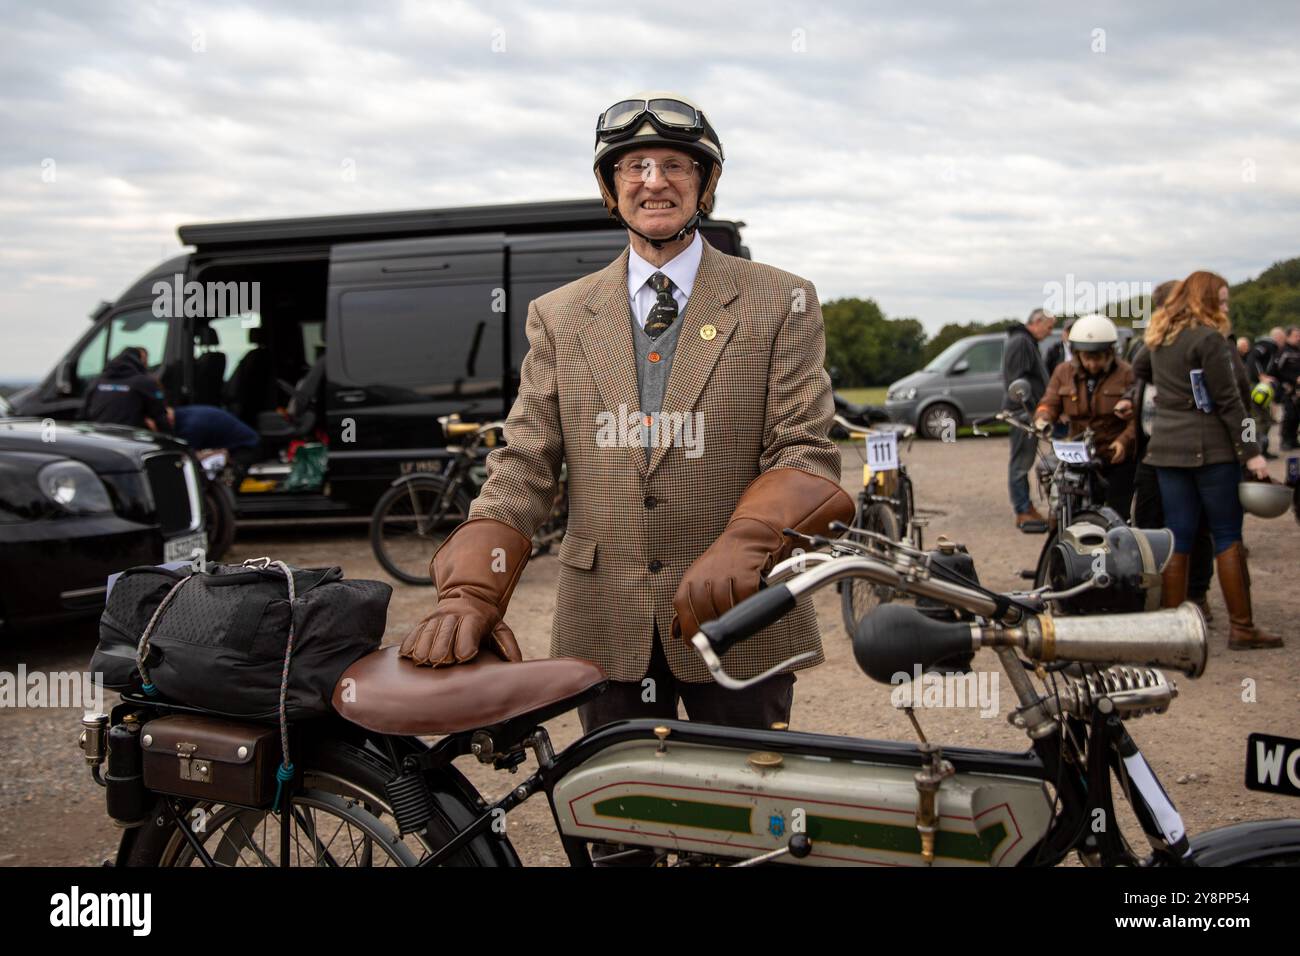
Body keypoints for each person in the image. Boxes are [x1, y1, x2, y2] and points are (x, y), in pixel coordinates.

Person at [399, 93, 853, 737]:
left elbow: (802, 447)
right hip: (604, 619)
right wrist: (472, 587)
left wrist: (750, 542)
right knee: (615, 827)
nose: (654, 181)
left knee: (746, 822)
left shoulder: (782, 300)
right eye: (634, 166)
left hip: (739, 613)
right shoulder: (559, 314)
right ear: (612, 189)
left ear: (705, 183)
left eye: (674, 164)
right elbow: (526, 459)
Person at [1132, 270, 1279, 650]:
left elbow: (1139, 369)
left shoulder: (1160, 337)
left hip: (1166, 449)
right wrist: (1253, 452)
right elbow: (1231, 402)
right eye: (1224, 300)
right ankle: (1242, 628)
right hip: (1211, 451)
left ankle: (1172, 629)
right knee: (1227, 535)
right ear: (1207, 300)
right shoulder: (1210, 339)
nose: (1227, 307)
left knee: (1177, 536)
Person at [1118, 281, 1216, 619]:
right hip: (1151, 447)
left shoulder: (1201, 339)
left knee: (1196, 525)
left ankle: (1197, 595)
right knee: (1147, 521)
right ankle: (1150, 594)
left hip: (1191, 448)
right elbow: (1139, 374)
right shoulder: (1153, 343)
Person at [1033, 314, 1137, 520]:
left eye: (1097, 357)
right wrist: (1043, 417)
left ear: (1109, 353)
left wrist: (1124, 441)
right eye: (1086, 357)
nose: (1091, 363)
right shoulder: (1063, 372)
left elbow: (1137, 417)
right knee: (1062, 511)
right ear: (1076, 353)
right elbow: (1050, 401)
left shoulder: (1127, 373)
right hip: (1077, 455)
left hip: (1113, 457)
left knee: (1117, 517)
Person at [1002, 307, 1056, 529]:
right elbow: (1017, 381)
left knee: (1025, 461)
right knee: (1020, 464)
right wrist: (1028, 408)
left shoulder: (1026, 342)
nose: (1049, 332)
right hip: (1023, 412)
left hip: (1029, 411)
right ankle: (1022, 510)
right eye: (1048, 326)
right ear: (1036, 322)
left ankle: (1027, 507)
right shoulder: (1021, 342)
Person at [79, 347, 173, 431]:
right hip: (128, 439)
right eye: (145, 361)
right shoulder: (143, 382)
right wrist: (170, 440)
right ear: (138, 361)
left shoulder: (96, 382)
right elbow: (160, 416)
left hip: (99, 438)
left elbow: (82, 416)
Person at [170, 404, 262, 478]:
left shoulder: (191, 425)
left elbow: (187, 456)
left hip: (245, 446)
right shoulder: (182, 414)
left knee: (226, 482)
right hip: (230, 446)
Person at [1267, 325, 1300, 450]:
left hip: (1298, 388)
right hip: (1287, 388)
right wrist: (1290, 380)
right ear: (1288, 337)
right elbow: (1275, 370)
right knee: (1289, 414)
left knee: (1296, 415)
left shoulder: (1297, 350)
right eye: (1296, 336)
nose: (1298, 338)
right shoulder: (1283, 351)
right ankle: (1285, 440)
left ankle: (1293, 439)